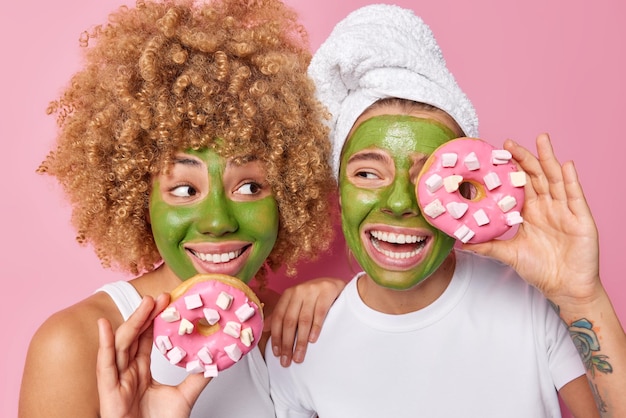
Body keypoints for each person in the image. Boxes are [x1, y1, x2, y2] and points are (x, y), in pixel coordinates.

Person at [266, 4, 626, 417]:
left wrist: (580, 297)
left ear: (467, 190)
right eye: (368, 173)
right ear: (339, 189)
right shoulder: (299, 342)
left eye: (429, 176)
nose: (400, 202)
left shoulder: (528, 302)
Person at [18, 0, 344, 417]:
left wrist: (354, 307)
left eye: (248, 186)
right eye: (185, 189)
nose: (218, 221)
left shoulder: (294, 332)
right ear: (139, 199)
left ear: (286, 193)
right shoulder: (76, 345)